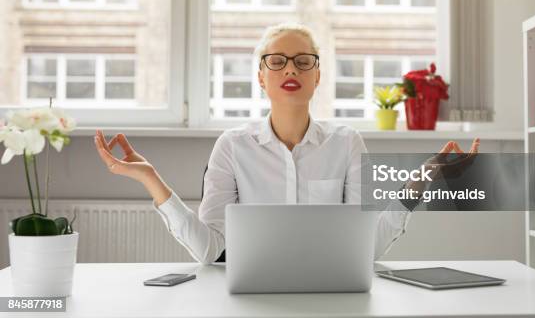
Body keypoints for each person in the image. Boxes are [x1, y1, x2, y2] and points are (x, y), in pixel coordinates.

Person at [94, 22, 479, 264]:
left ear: (317, 76)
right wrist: (151, 179)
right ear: (261, 78)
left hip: (334, 298)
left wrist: (419, 184)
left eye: (302, 61)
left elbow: (369, 249)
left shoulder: (346, 143)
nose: (290, 68)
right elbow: (210, 251)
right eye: (276, 61)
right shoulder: (232, 146)